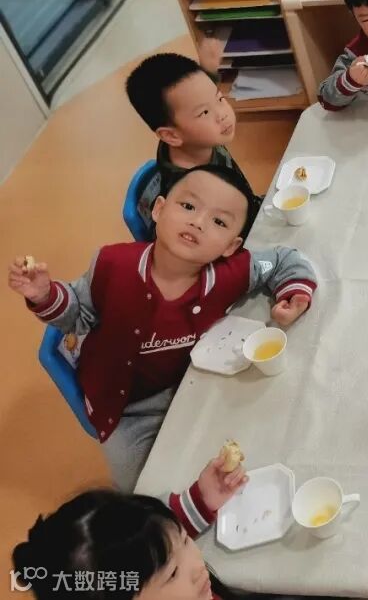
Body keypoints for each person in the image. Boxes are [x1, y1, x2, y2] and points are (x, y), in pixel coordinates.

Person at [8, 165, 316, 492]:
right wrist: (45, 295)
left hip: (196, 383)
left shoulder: (228, 274)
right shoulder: (113, 265)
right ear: (158, 209)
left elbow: (281, 261)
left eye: (219, 222)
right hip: (126, 410)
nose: (198, 222)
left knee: (261, 436)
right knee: (145, 490)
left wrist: (294, 293)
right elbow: (77, 316)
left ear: (231, 245)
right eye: (188, 206)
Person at [12, 455, 247, 600]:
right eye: (173, 573)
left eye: (185, 540)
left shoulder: (150, 548)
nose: (196, 566)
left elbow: (161, 532)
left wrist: (202, 498)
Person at [125, 40, 249, 236]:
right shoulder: (189, 201)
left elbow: (198, 94)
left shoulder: (198, 141)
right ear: (171, 135)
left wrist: (210, 68)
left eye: (220, 99)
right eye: (204, 112)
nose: (222, 114)